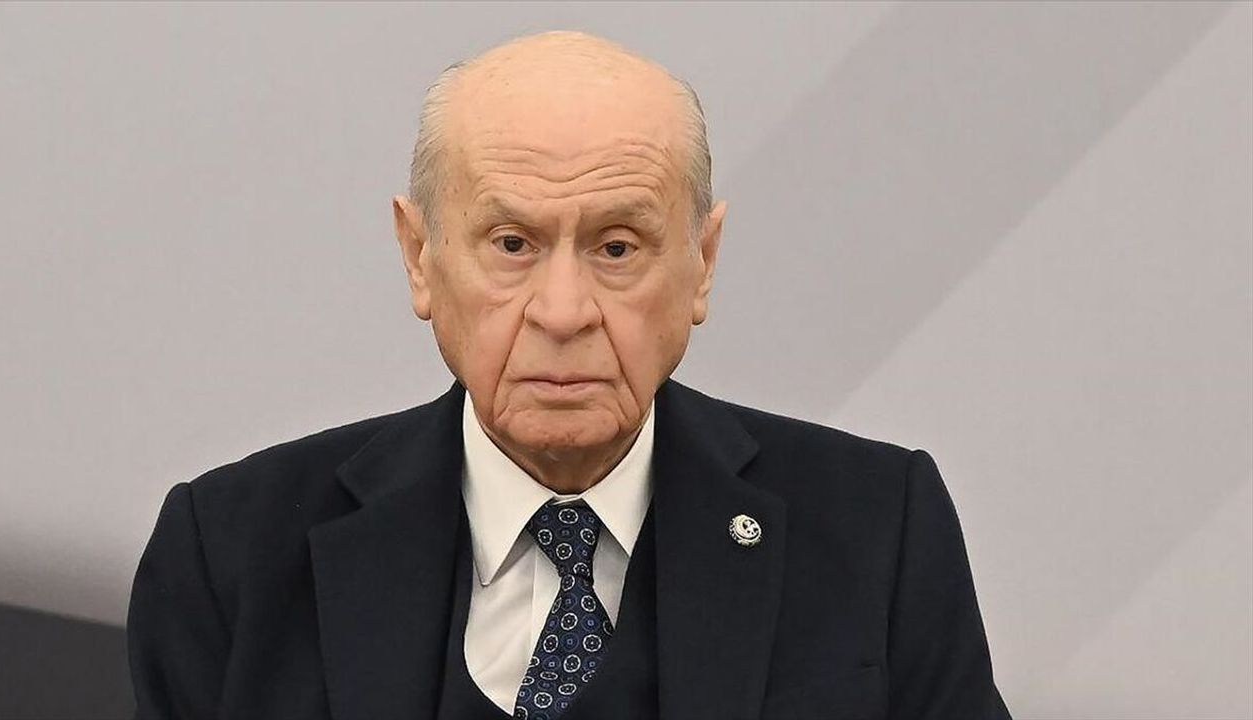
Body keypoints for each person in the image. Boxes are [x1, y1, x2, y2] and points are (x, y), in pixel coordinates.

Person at [127, 30, 1011, 720]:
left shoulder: (878, 531)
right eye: (512, 244)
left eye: (616, 248)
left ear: (702, 264)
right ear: (419, 257)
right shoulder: (231, 552)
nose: (562, 311)